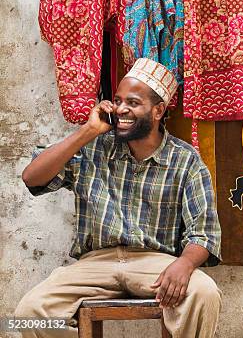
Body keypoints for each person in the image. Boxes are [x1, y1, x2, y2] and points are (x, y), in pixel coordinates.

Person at [14, 58, 222, 338]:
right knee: (29, 314)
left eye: (133, 103)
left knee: (205, 293)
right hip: (95, 263)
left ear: (158, 110)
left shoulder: (186, 160)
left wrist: (184, 265)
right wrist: (87, 131)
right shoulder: (94, 146)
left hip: (155, 262)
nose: (122, 109)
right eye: (118, 100)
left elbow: (204, 233)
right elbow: (32, 178)